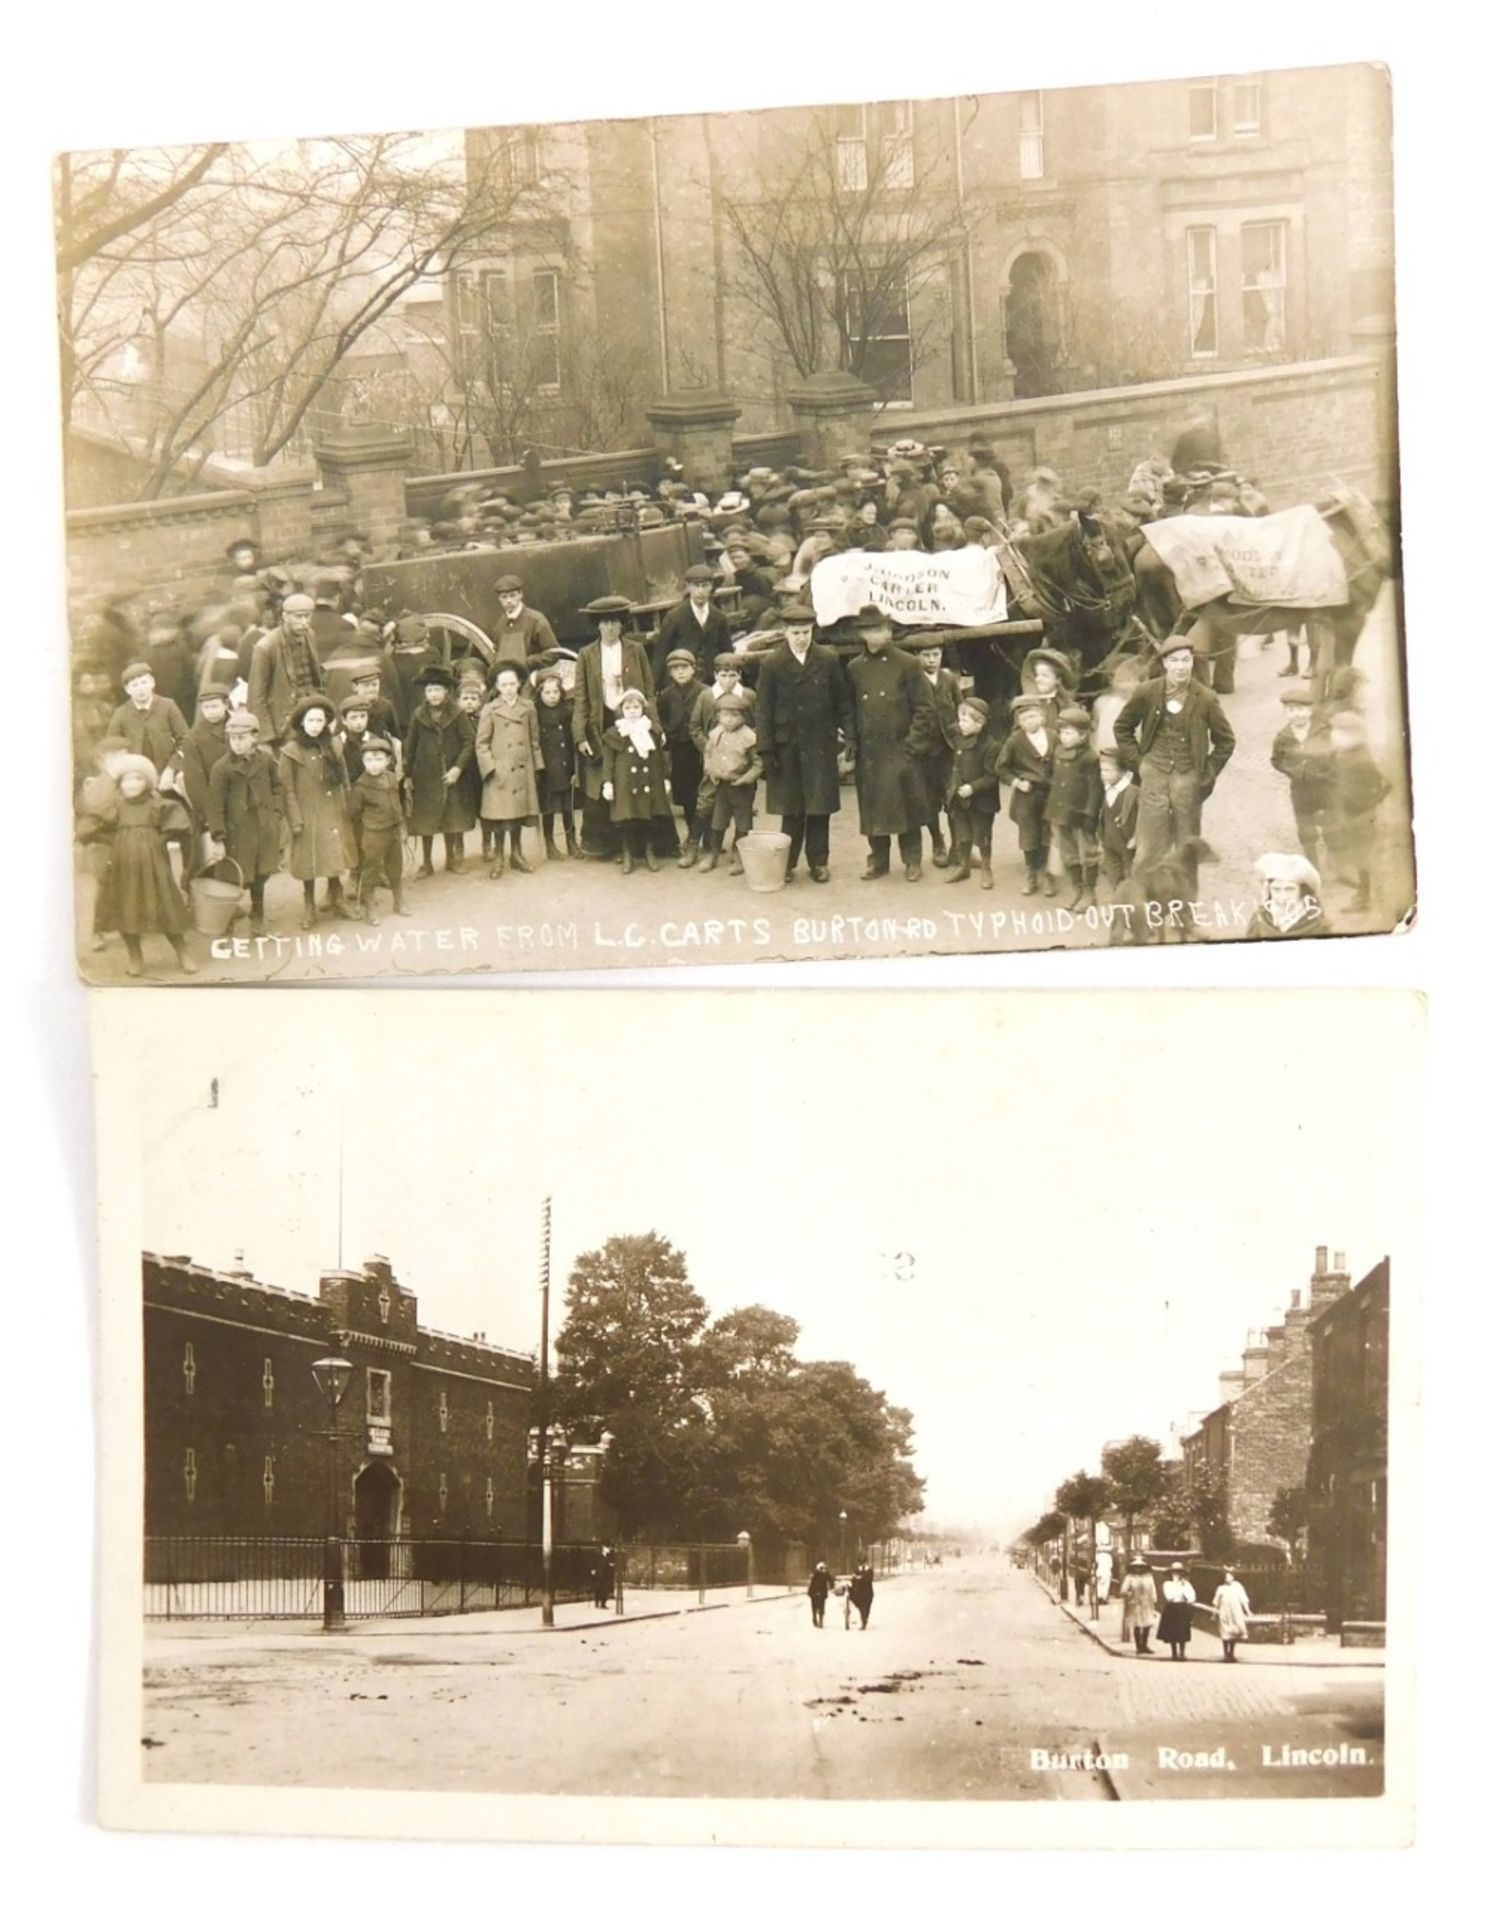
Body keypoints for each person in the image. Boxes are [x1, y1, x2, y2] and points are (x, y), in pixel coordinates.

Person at [1111, 636, 1235, 881]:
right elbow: (1122, 727)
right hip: (1154, 776)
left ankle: (1183, 910)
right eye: (1175, 660)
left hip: (1187, 778)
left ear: (1192, 663)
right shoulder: (1147, 692)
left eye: (1186, 660)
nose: (1181, 666)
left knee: (1186, 848)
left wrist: (1207, 772)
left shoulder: (1206, 698)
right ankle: (1146, 906)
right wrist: (1139, 763)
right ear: (1165, 663)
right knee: (1148, 849)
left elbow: (1226, 741)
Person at [753, 599, 851, 884]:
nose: (801, 638)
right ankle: (788, 863)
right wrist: (765, 747)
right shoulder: (772, 663)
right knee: (792, 809)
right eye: (795, 633)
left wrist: (850, 734)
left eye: (806, 632)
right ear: (785, 632)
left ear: (813, 632)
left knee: (819, 807)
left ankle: (819, 862)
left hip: (820, 743)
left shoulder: (827, 659)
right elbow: (763, 708)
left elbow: (841, 701)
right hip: (787, 747)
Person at [845, 606, 937, 882]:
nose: (879, 634)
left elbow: (925, 708)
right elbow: (850, 710)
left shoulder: (908, 663)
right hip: (870, 752)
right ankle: (878, 861)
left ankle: (912, 861)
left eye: (883, 628)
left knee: (906, 808)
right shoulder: (855, 667)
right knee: (874, 810)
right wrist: (852, 741)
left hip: (900, 750)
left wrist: (911, 746)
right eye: (872, 630)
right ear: (862, 634)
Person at [93, 753, 197, 976]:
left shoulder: (157, 805)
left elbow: (178, 822)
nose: (132, 784)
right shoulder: (116, 806)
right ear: (120, 784)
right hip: (124, 866)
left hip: (154, 866)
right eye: (127, 780)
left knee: (167, 906)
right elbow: (97, 826)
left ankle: (182, 953)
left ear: (147, 782)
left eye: (138, 779)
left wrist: (161, 839)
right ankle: (135, 955)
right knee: (127, 908)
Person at [573, 596, 654, 859]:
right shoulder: (587, 655)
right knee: (602, 781)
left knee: (634, 778)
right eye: (604, 623)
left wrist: (654, 726)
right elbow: (581, 698)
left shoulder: (635, 650)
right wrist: (580, 735)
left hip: (633, 721)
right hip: (602, 724)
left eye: (614, 623)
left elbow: (648, 690)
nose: (609, 628)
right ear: (597, 626)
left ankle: (640, 846)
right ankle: (604, 846)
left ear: (622, 625)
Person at [279, 693, 355, 928]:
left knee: (333, 855)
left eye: (320, 721)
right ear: (302, 722)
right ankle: (309, 905)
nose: (315, 726)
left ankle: (337, 896)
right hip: (306, 812)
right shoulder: (290, 751)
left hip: (332, 809)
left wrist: (347, 805)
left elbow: (344, 779)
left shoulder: (332, 745)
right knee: (309, 862)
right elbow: (287, 789)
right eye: (310, 721)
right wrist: (295, 818)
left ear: (326, 723)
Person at [205, 709, 284, 934]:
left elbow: (278, 786)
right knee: (233, 879)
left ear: (254, 737)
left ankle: (257, 919)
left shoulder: (266, 760)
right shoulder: (222, 768)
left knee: (261, 876)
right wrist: (218, 837)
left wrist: (276, 813)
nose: (237, 744)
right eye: (232, 738)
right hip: (236, 834)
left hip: (263, 830)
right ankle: (226, 921)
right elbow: (215, 805)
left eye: (242, 738)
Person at [403, 664, 477, 876]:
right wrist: (407, 774)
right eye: (429, 690)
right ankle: (426, 862)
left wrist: (458, 769)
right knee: (426, 821)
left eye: (437, 690)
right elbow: (410, 745)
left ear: (447, 691)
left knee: (451, 817)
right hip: (425, 775)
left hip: (451, 775)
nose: (433, 695)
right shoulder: (419, 715)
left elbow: (468, 742)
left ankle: (451, 859)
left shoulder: (458, 713)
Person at [476, 664, 544, 878]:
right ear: (497, 686)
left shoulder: (528, 707)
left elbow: (534, 739)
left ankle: (517, 854)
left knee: (518, 815)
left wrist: (538, 765)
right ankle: (499, 857)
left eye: (512, 684)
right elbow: (481, 743)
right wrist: (490, 768)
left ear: (519, 684)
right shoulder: (490, 709)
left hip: (522, 768)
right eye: (503, 684)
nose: (508, 688)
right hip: (500, 771)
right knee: (499, 817)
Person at [1323, 710, 1390, 914]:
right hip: (1351, 814)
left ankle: (1364, 898)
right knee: (1355, 853)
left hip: (1359, 817)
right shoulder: (1346, 753)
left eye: (1337, 732)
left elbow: (1384, 784)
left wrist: (1367, 804)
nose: (1332, 736)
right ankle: (1355, 882)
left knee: (1363, 858)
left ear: (1352, 736)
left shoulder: (1358, 759)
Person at [601, 687, 673, 873]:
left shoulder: (651, 731)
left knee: (648, 818)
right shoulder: (615, 733)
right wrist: (608, 782)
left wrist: (665, 778)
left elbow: (659, 758)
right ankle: (628, 854)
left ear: (642, 708)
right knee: (627, 819)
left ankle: (649, 852)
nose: (632, 711)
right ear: (621, 711)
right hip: (625, 782)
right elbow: (609, 761)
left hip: (648, 779)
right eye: (627, 708)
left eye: (636, 707)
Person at [346, 735, 411, 926]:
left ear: (389, 761)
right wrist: (363, 836)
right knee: (371, 871)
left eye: (379, 759)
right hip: (373, 835)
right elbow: (353, 814)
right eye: (369, 760)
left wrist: (401, 825)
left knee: (395, 867)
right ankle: (370, 907)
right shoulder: (360, 787)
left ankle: (399, 902)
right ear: (363, 761)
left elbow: (396, 803)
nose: (374, 764)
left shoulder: (391, 778)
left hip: (392, 831)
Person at [996, 695, 1057, 895]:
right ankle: (1031, 874)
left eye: (1033, 716)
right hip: (1027, 794)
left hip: (1049, 793)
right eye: (1024, 718)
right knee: (1029, 834)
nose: (1030, 721)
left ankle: (1048, 875)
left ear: (1041, 716)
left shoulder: (1052, 736)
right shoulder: (1015, 741)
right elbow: (1001, 767)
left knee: (1049, 832)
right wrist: (1016, 782)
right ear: (1019, 722)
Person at [247, 591, 324, 747]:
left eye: (307, 616)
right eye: (298, 617)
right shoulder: (266, 647)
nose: (304, 622)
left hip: (312, 712)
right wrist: (266, 737)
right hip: (284, 722)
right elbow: (256, 696)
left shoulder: (310, 635)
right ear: (285, 616)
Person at [1046, 705, 1103, 911]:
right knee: (1068, 853)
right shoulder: (1059, 751)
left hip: (1080, 813)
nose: (1063, 737)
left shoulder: (1090, 758)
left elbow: (1096, 789)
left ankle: (1090, 893)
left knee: (1087, 853)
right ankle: (1077, 890)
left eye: (1069, 733)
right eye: (1061, 732)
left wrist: (1090, 814)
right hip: (1061, 811)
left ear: (1083, 736)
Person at [698, 692, 761, 874]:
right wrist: (710, 770)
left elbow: (758, 763)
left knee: (743, 824)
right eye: (725, 715)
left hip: (741, 787)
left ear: (743, 716)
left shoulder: (748, 737)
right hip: (721, 786)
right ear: (718, 715)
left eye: (735, 715)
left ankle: (739, 856)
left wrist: (746, 778)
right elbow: (708, 753)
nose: (729, 720)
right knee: (718, 822)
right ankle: (713, 854)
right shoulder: (716, 733)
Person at [169, 686, 231, 870]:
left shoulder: (238, 727)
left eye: (215, 706)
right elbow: (196, 784)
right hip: (210, 805)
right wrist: (208, 816)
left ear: (226, 704)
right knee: (208, 861)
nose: (210, 712)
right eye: (206, 707)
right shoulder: (193, 738)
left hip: (237, 801)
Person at [914, 639, 962, 868]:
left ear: (941, 654)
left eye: (935, 654)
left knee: (953, 797)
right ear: (918, 656)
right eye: (926, 655)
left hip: (949, 749)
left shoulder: (950, 679)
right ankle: (937, 842)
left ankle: (957, 845)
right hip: (925, 751)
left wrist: (960, 737)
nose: (931, 660)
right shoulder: (913, 680)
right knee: (930, 801)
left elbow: (961, 709)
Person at [943, 696, 1000, 888]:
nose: (961, 724)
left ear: (980, 723)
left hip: (982, 800)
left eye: (965, 721)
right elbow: (956, 767)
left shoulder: (990, 745)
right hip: (960, 798)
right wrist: (952, 790)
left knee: (983, 835)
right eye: (960, 720)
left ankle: (986, 868)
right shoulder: (959, 741)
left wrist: (972, 788)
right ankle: (964, 866)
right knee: (963, 834)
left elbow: (992, 776)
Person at [657, 649, 707, 866]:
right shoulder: (666, 695)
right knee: (687, 796)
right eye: (675, 669)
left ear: (693, 669)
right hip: (679, 750)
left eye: (684, 667)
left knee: (706, 794)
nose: (680, 672)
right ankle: (692, 835)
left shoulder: (704, 692)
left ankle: (709, 838)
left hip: (701, 750)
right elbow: (663, 718)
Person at [652, 563, 732, 682]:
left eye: (705, 586)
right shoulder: (674, 617)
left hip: (713, 683)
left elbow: (727, 653)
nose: (700, 591)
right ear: (688, 587)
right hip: (684, 683)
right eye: (696, 586)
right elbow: (661, 655)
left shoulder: (719, 618)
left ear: (711, 587)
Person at [532, 667, 579, 861]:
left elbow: (571, 740)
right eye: (547, 692)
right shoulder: (535, 713)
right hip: (547, 768)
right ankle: (550, 844)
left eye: (556, 692)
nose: (552, 697)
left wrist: (574, 767)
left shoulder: (567, 712)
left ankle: (571, 842)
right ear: (540, 693)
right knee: (549, 807)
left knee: (568, 806)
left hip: (565, 764)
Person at [110, 660, 188, 773]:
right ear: (127, 690)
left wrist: (172, 769)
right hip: (135, 773)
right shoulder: (121, 713)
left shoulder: (168, 706)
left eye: (144, 682)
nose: (141, 688)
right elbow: (112, 747)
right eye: (135, 685)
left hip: (167, 772)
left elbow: (186, 741)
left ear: (152, 683)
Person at [1247, 852, 1330, 940]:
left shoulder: (1315, 922)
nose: (1282, 897)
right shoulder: (1260, 919)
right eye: (1276, 889)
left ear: (1302, 892)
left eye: (1289, 889)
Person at [490, 575, 559, 677]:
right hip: (507, 681)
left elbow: (554, 653)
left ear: (520, 595)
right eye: (504, 597)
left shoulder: (536, 620)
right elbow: (496, 651)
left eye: (512, 595)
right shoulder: (500, 623)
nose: (508, 601)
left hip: (530, 678)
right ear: (499, 599)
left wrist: (530, 661)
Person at [1097, 748, 1139, 893]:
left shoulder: (1132, 792)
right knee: (1114, 874)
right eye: (1102, 770)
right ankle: (1118, 897)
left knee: (1129, 873)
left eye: (1109, 771)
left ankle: (1130, 903)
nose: (1104, 774)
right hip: (1109, 840)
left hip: (1126, 841)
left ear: (1123, 771)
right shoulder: (1104, 789)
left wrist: (1135, 837)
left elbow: (1141, 817)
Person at [1157, 1562, 1197, 1661]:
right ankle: (1174, 1653)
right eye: (1174, 1572)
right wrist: (1180, 1592)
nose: (1176, 1575)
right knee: (1172, 1632)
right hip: (1172, 1608)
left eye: (1178, 1573)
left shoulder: (1186, 1584)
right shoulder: (1167, 1584)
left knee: (1182, 1631)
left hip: (1182, 1608)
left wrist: (1183, 1590)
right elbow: (1169, 1596)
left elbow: (1191, 1597)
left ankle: (1182, 1653)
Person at [1119, 1557, 1158, 1656]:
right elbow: (1123, 1591)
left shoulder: (1149, 1577)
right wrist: (1129, 1594)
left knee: (1147, 1624)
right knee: (1137, 1624)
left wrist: (1154, 1600)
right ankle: (1138, 1646)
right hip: (1135, 1603)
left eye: (1140, 1567)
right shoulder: (1130, 1577)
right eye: (1136, 1567)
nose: (1138, 1569)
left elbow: (1153, 1589)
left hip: (1147, 1603)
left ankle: (1145, 1645)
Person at [1213, 1567, 1251, 1661]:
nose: (1227, 1578)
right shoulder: (1221, 1588)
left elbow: (1243, 1599)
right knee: (1225, 1632)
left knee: (1234, 1632)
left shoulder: (1238, 1586)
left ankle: (1232, 1653)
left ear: (1233, 1577)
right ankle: (1226, 1654)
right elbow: (1217, 1602)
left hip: (1235, 1612)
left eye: (1229, 1576)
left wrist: (1248, 1611)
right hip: (1225, 1612)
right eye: (1226, 1577)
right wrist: (1214, 1613)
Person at [849, 1560, 875, 1630]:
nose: (863, 1564)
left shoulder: (869, 1570)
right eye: (862, 1563)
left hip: (868, 1592)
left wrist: (859, 1579)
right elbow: (853, 1580)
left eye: (864, 1562)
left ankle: (865, 1619)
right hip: (860, 1593)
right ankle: (863, 1622)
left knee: (867, 1608)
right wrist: (855, 1579)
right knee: (862, 1608)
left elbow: (869, 1579)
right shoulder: (857, 1570)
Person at [808, 1562, 832, 1629]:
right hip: (814, 1593)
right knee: (815, 1607)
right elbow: (812, 1581)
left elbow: (831, 1579)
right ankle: (815, 1619)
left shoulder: (825, 1574)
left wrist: (832, 1586)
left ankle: (820, 1621)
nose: (823, 1569)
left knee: (821, 1607)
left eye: (823, 1568)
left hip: (820, 1593)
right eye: (821, 1568)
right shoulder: (815, 1573)